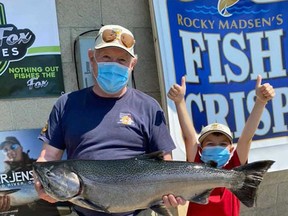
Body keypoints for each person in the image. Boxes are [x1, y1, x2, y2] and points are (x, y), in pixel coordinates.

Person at [34, 24, 185, 216]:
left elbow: (164, 160)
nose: (113, 65)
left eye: (122, 60)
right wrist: (42, 182)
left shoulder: (148, 106)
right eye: (106, 57)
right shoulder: (66, 104)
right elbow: (48, 157)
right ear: (91, 57)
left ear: (133, 64)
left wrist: (172, 190)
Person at [167, 75, 275, 216]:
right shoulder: (196, 165)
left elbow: (246, 138)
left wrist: (261, 102)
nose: (216, 147)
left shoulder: (235, 169)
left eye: (223, 144)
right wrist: (179, 102)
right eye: (210, 144)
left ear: (231, 150)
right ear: (200, 149)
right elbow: (189, 137)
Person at [0, 136, 71, 216]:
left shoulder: (40, 166)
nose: (10, 151)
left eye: (13, 146)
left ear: (21, 148)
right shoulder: (4, 176)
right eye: (5, 150)